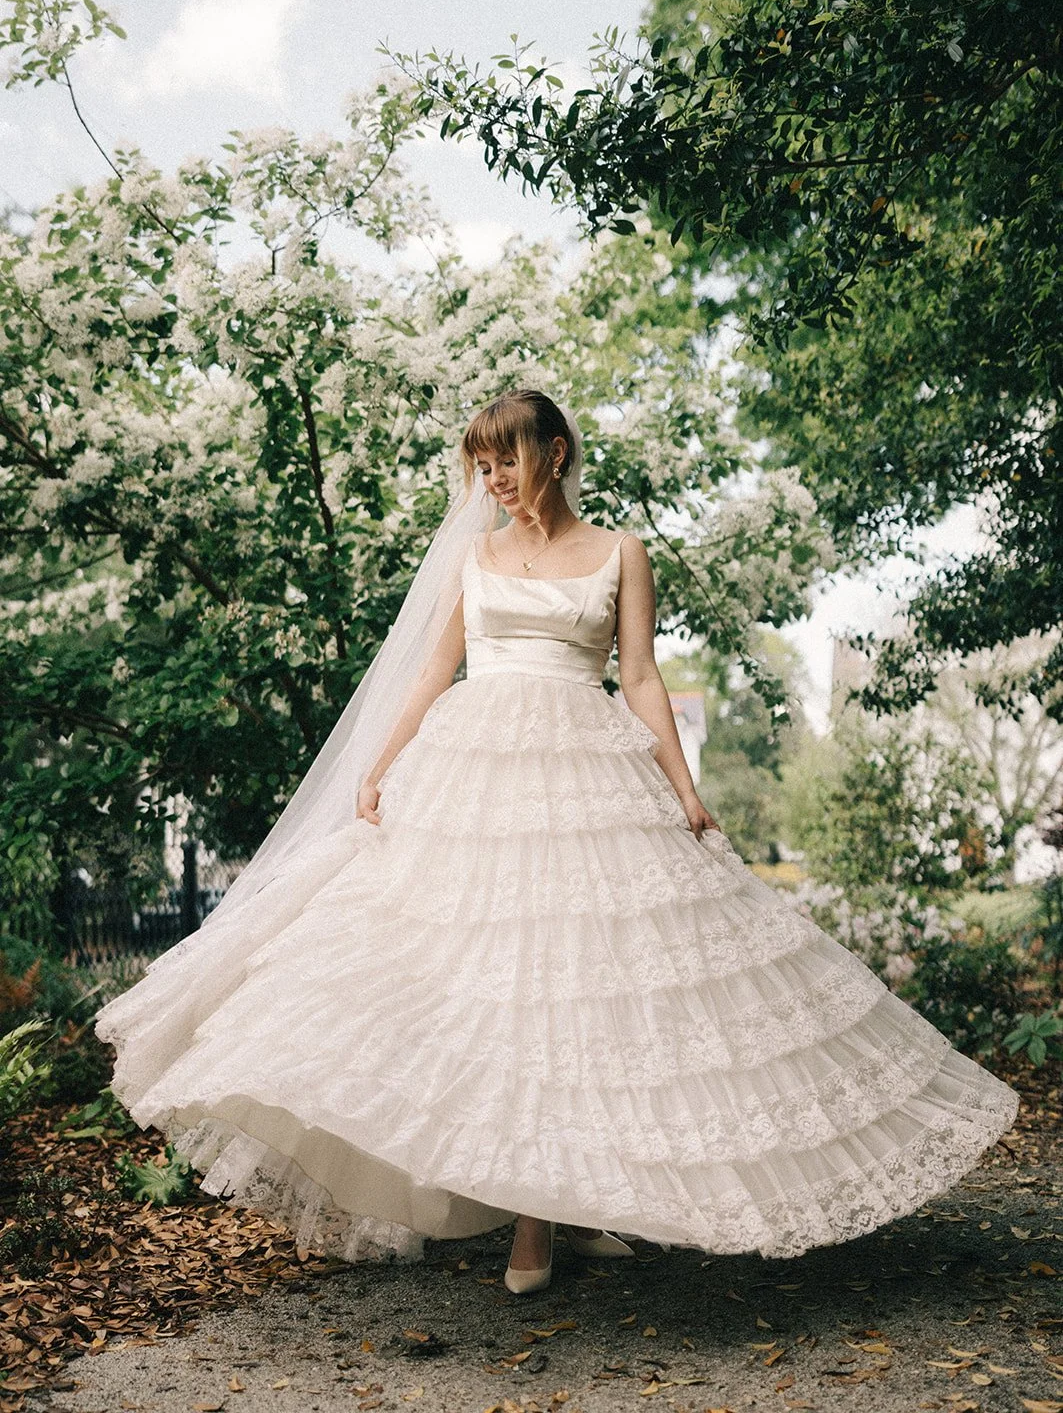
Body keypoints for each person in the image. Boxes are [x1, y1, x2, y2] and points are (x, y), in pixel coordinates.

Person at [97, 388, 1019, 1296]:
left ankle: (568, 1205)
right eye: (481, 464)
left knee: (587, 981)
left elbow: (644, 679)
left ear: (556, 453)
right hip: (475, 779)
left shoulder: (621, 551)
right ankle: (538, 1210)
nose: (491, 479)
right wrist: (378, 768)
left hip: (586, 775)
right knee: (491, 980)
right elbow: (432, 670)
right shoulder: (474, 557)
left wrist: (685, 793)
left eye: (506, 459)